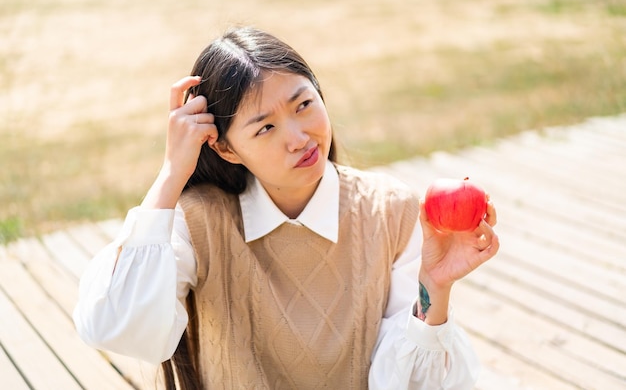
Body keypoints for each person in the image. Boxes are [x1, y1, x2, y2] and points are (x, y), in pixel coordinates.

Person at [73, 26, 499, 390]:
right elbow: (115, 327)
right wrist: (170, 174)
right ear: (225, 147)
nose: (299, 137)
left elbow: (406, 381)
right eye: (266, 128)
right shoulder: (200, 220)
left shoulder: (390, 210)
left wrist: (435, 286)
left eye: (304, 104)